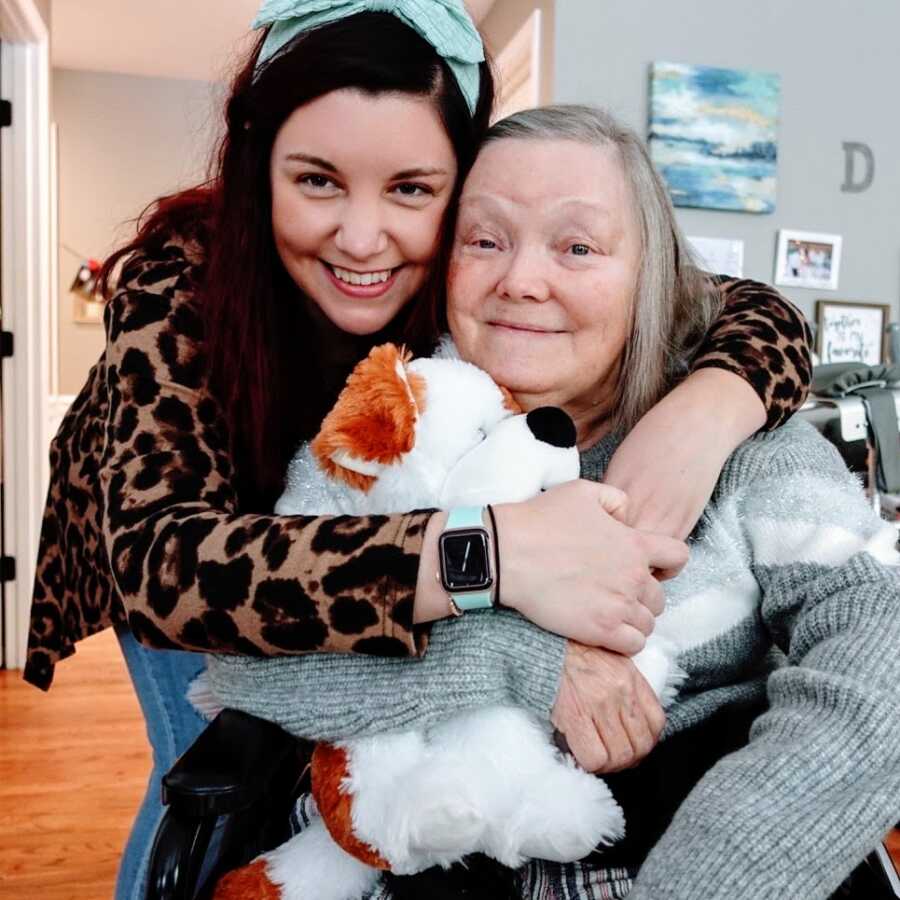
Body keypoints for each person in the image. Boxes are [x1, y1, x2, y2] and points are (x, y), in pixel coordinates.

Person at [24, 3, 812, 898]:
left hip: (378, 523)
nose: (364, 238)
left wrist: (704, 413)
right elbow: (167, 569)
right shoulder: (182, 278)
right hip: (191, 555)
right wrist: (492, 556)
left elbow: (745, 308)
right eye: (317, 180)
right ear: (257, 168)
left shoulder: (482, 256)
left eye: (411, 188)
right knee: (208, 779)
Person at [207, 105, 900, 900]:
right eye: (486, 240)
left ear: (655, 279)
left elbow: (884, 651)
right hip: (431, 848)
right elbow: (246, 667)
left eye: (577, 247)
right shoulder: (396, 429)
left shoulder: (747, 449)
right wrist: (522, 663)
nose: (521, 281)